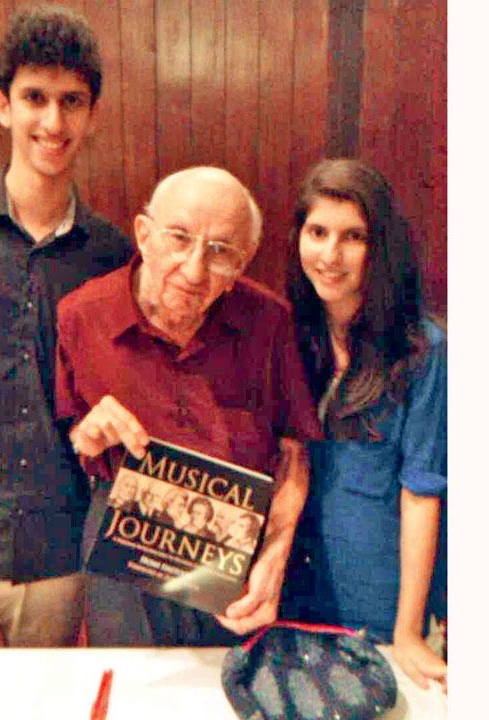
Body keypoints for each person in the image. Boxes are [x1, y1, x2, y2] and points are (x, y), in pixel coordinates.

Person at [55, 166, 323, 646]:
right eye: (178, 238)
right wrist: (85, 436)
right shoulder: (81, 315)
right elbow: (73, 433)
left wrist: (276, 554)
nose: (195, 270)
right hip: (125, 544)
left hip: (235, 548)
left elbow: (294, 452)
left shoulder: (270, 322)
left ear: (244, 263)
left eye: (221, 252)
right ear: (143, 234)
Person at [0, 5, 134, 647]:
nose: (53, 122)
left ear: (93, 114)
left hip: (55, 553)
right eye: (34, 98)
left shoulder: (111, 256)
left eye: (71, 101)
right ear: (3, 105)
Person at [280, 158, 449, 689]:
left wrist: (407, 631)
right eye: (318, 232)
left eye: (353, 236)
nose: (330, 255)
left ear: (381, 248)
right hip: (293, 584)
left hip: (375, 590)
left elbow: (421, 491)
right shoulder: (285, 332)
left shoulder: (423, 350)